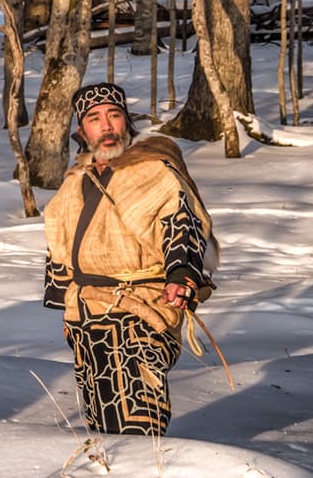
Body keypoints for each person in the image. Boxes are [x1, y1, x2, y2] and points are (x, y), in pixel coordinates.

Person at [42, 82, 216, 435]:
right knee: (101, 420)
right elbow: (59, 245)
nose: (106, 126)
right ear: (81, 131)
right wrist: (66, 306)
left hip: (143, 306)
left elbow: (181, 221)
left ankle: (146, 467)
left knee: (139, 420)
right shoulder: (74, 182)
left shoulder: (155, 169)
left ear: (127, 122)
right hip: (86, 315)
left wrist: (181, 275)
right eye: (94, 119)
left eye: (114, 115)